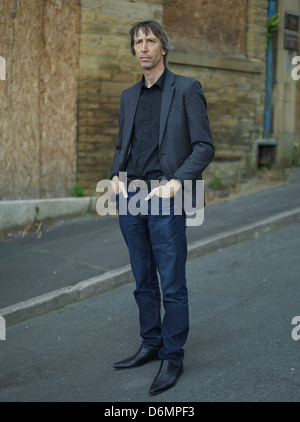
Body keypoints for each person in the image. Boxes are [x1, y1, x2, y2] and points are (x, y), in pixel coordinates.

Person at [110, 20, 214, 395]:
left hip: (165, 195)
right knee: (142, 280)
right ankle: (150, 343)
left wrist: (174, 184)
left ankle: (173, 356)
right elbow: (123, 144)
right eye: (137, 41)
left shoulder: (186, 89)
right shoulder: (128, 95)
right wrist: (115, 176)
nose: (143, 47)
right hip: (131, 197)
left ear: (163, 48)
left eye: (150, 40)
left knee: (171, 281)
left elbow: (204, 146)